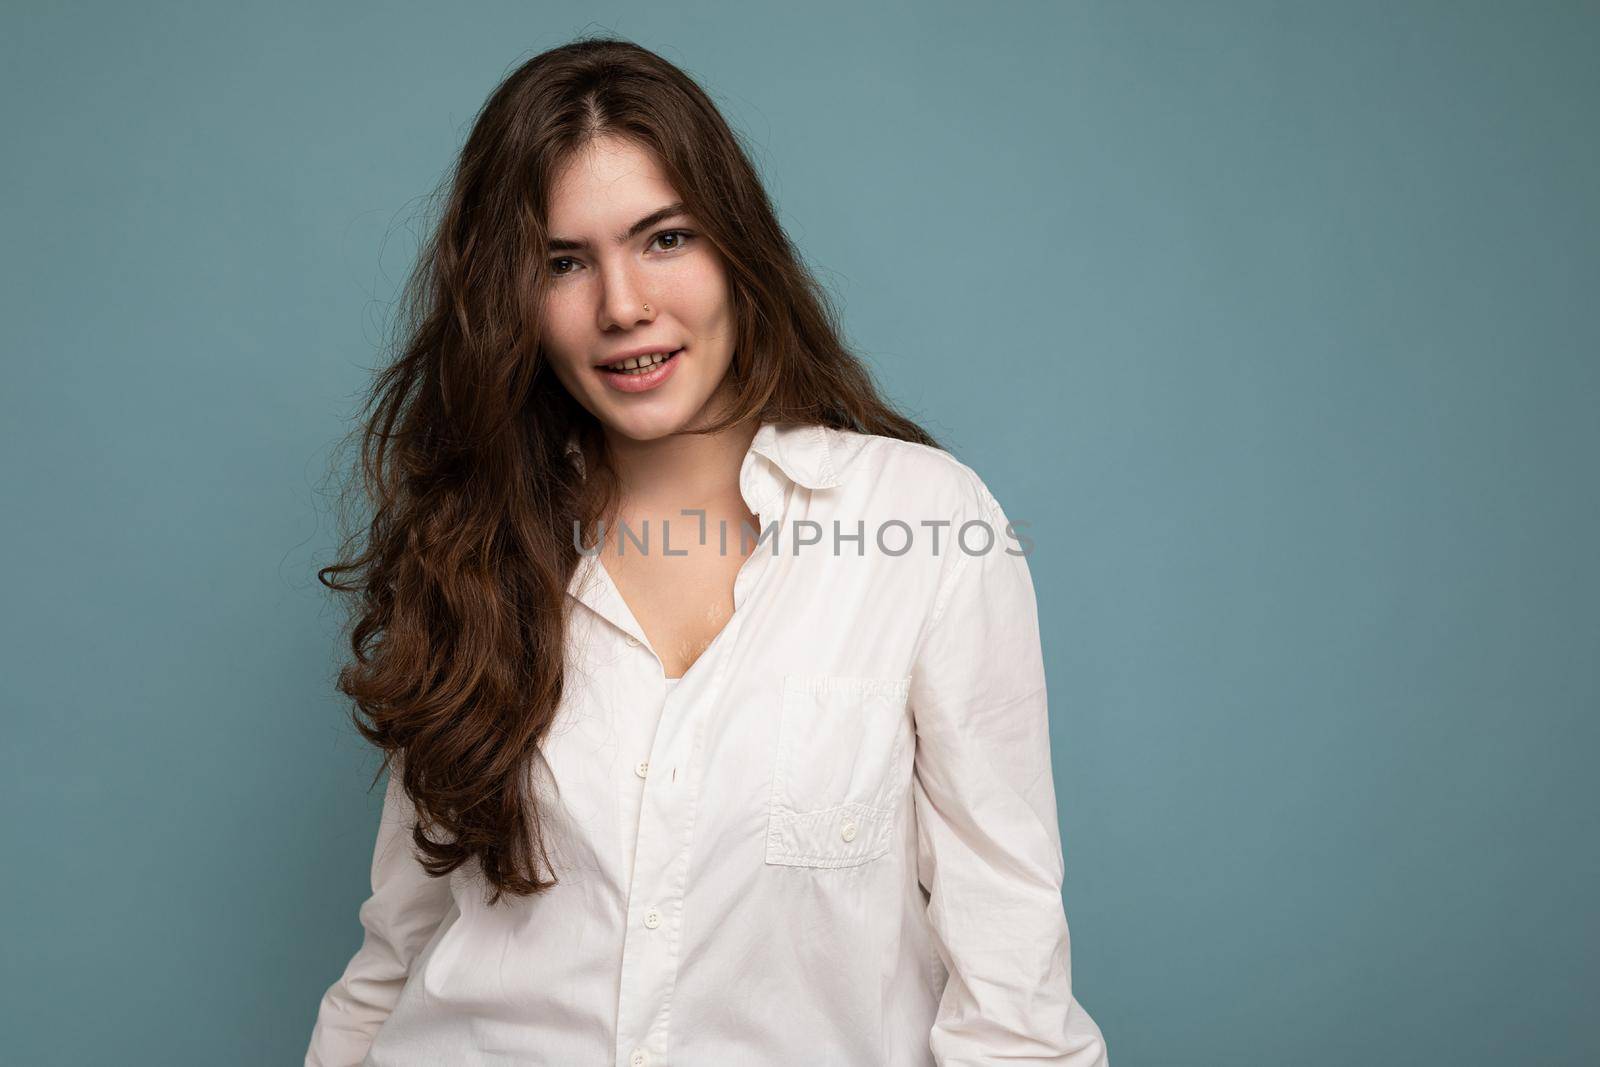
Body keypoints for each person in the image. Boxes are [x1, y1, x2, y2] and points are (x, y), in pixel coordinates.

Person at [305, 35, 1108, 1067]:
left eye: (664, 238)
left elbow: (1013, 978)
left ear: (736, 246)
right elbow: (402, 937)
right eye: (563, 262)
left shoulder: (924, 527)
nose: (623, 305)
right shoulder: (475, 552)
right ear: (515, 299)